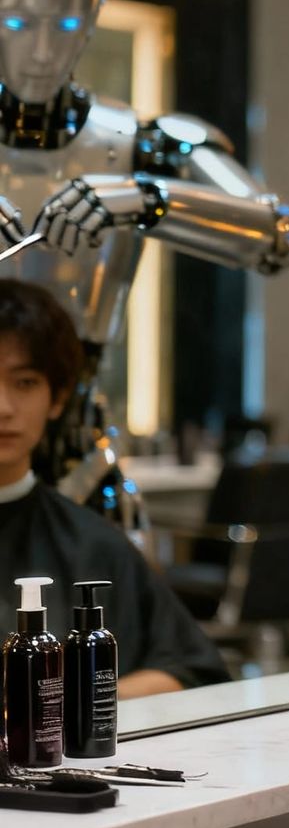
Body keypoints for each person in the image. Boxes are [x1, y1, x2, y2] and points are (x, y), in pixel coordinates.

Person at [0, 279, 228, 696]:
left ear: (57, 398)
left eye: (26, 382)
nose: (4, 407)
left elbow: (195, 672)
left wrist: (70, 700)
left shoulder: (95, 546)